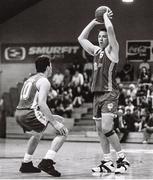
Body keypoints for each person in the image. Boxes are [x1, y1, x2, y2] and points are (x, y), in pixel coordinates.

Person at [78, 7, 130, 174]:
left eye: (103, 37)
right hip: (97, 95)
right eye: (99, 37)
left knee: (107, 128)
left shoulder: (113, 50)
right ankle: (107, 161)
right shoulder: (96, 51)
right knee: (100, 131)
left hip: (109, 93)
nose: (101, 39)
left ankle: (123, 159)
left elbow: (110, 29)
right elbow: (81, 38)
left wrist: (106, 17)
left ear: (109, 39)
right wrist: (95, 21)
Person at [15, 55, 68, 177]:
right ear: (48, 67)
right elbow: (42, 104)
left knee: (37, 134)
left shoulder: (30, 79)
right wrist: (54, 123)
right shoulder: (44, 81)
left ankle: (26, 163)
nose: (52, 68)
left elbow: (31, 104)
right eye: (51, 66)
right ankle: (47, 162)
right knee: (63, 131)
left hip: (19, 113)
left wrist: (52, 117)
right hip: (30, 114)